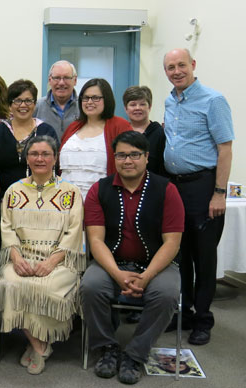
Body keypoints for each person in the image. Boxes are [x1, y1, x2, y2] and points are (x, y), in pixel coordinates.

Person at [81, 131, 184, 384]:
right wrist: (117, 273)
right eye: (122, 155)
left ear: (147, 157)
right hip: (111, 263)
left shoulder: (167, 190)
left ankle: (136, 354)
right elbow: (95, 240)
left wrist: (146, 277)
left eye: (135, 155)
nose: (128, 161)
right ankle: (107, 347)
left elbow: (172, 243)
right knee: (90, 286)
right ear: (114, 158)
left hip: (157, 266)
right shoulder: (99, 189)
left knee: (167, 294)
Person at [0, 135, 85, 375]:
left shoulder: (71, 192)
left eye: (45, 154)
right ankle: (40, 345)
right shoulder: (14, 191)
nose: (39, 159)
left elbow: (74, 232)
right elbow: (6, 227)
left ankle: (37, 345)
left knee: (48, 287)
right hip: (20, 258)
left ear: (55, 158)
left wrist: (51, 262)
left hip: (59, 261)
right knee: (9, 283)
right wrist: (16, 258)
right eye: (34, 154)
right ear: (27, 158)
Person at [162, 48, 234, 345]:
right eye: (170, 67)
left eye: (181, 65)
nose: (176, 71)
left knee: (203, 256)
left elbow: (225, 149)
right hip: (174, 187)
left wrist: (219, 193)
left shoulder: (213, 100)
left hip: (203, 186)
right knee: (180, 254)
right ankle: (185, 312)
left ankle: (203, 319)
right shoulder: (169, 100)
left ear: (193, 65)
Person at [60, 78, 132, 199]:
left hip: (103, 202)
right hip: (66, 202)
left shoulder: (120, 126)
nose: (89, 102)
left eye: (95, 98)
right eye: (86, 98)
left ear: (107, 99)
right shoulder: (73, 127)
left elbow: (130, 166)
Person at [0, 79, 59, 196]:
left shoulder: (47, 131)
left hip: (42, 198)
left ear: (34, 104)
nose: (23, 105)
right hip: (5, 199)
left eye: (28, 101)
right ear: (9, 105)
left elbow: (54, 168)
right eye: (17, 101)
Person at [123, 86, 166, 176]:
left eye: (142, 104)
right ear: (126, 108)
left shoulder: (160, 134)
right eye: (133, 104)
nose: (137, 108)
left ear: (149, 107)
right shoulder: (121, 133)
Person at [34, 60, 79, 137]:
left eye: (66, 78)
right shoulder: (37, 106)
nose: (61, 83)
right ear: (49, 80)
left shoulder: (83, 106)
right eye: (57, 78)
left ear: (75, 80)